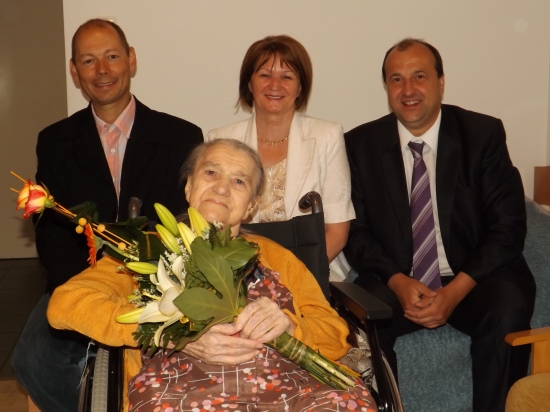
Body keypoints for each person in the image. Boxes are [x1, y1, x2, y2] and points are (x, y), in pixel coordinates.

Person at [47, 139, 376, 411]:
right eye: (211, 172)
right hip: (180, 391)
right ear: (189, 187)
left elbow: (335, 335)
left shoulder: (278, 258)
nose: (221, 188)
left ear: (251, 206)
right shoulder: (145, 251)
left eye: (239, 181)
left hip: (295, 388)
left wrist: (290, 325)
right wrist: (172, 332)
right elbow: (66, 304)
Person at [12, 19, 203, 412]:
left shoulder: (181, 136)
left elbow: (185, 226)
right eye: (88, 60)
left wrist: (151, 284)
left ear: (131, 60)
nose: (102, 70)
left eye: (112, 56)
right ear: (74, 71)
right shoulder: (55, 141)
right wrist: (88, 289)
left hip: (159, 287)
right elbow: (51, 232)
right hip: (78, 283)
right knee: (33, 361)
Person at [343, 38, 536, 412]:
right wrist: (397, 281)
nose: (408, 90)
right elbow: (357, 232)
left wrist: (455, 291)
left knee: (507, 310)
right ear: (386, 87)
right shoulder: (360, 145)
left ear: (441, 82)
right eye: (396, 79)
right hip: (398, 279)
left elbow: (508, 228)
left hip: (475, 277)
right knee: (358, 318)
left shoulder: (482, 135)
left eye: (419, 76)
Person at [207, 35, 355, 282]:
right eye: (265, 75)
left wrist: (290, 281)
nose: (274, 85)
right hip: (238, 278)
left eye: (286, 77)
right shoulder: (220, 140)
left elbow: (337, 230)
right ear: (249, 84)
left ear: (300, 87)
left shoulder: (327, 136)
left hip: (313, 275)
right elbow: (212, 226)